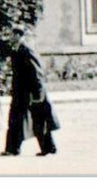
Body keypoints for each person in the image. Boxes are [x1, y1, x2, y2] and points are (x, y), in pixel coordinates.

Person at [4, 25, 59, 156]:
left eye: (12, 34)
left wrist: (38, 94)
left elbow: (37, 72)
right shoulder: (16, 50)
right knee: (17, 119)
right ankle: (13, 148)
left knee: (38, 120)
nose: (10, 37)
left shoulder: (27, 50)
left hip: (31, 92)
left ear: (18, 35)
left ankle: (48, 148)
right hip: (21, 92)